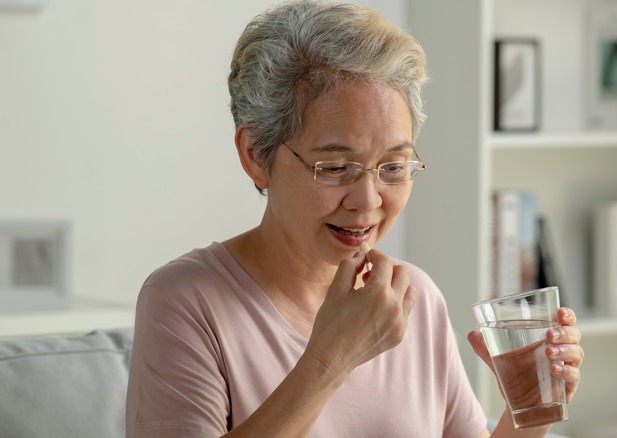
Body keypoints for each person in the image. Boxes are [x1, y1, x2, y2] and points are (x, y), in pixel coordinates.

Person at [125, 1, 584, 437]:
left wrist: (531, 411)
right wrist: (332, 358)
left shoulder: (413, 298)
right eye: (334, 167)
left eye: (393, 167)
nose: (367, 201)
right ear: (255, 155)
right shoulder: (185, 301)